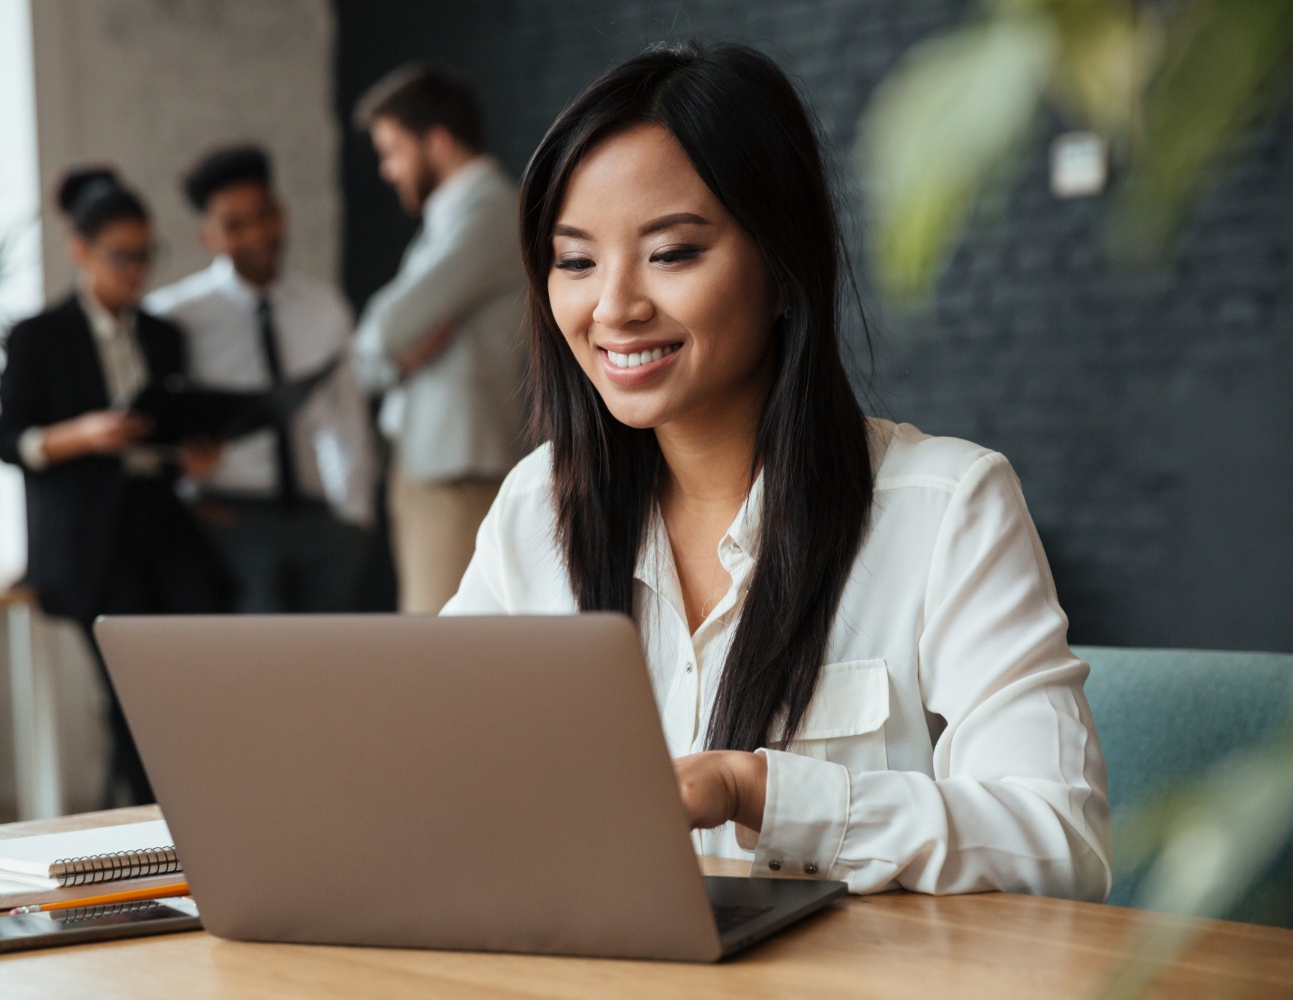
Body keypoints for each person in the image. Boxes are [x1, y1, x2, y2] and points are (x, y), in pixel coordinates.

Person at [443, 43, 1112, 901]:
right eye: (575, 261)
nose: (612, 306)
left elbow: (1062, 845)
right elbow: (438, 774)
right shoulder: (536, 508)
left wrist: (760, 793)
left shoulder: (947, 509)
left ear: (784, 269)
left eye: (672, 253)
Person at [0, 168, 230, 806]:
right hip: (90, 541)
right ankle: (163, 828)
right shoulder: (38, 338)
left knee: (208, 666)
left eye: (147, 255)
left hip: (160, 523)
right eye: (122, 257)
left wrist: (192, 458)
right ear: (81, 251)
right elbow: (8, 439)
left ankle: (207, 808)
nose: (137, 271)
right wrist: (81, 434)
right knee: (137, 693)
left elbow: (168, 436)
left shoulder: (162, 335)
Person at [146, 146, 378, 614]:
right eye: (235, 225)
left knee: (329, 670)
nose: (257, 234)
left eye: (265, 215)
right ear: (207, 235)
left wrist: (355, 518)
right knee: (255, 672)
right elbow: (160, 425)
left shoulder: (324, 308)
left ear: (282, 213)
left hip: (320, 519)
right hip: (230, 516)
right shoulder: (176, 316)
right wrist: (185, 500)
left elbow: (345, 417)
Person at [352, 64, 528, 613]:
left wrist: (388, 354)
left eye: (393, 150)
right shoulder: (451, 217)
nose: (387, 170)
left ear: (439, 141)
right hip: (437, 464)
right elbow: (371, 354)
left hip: (459, 470)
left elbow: (385, 329)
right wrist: (389, 359)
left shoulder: (490, 210)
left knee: (438, 651)